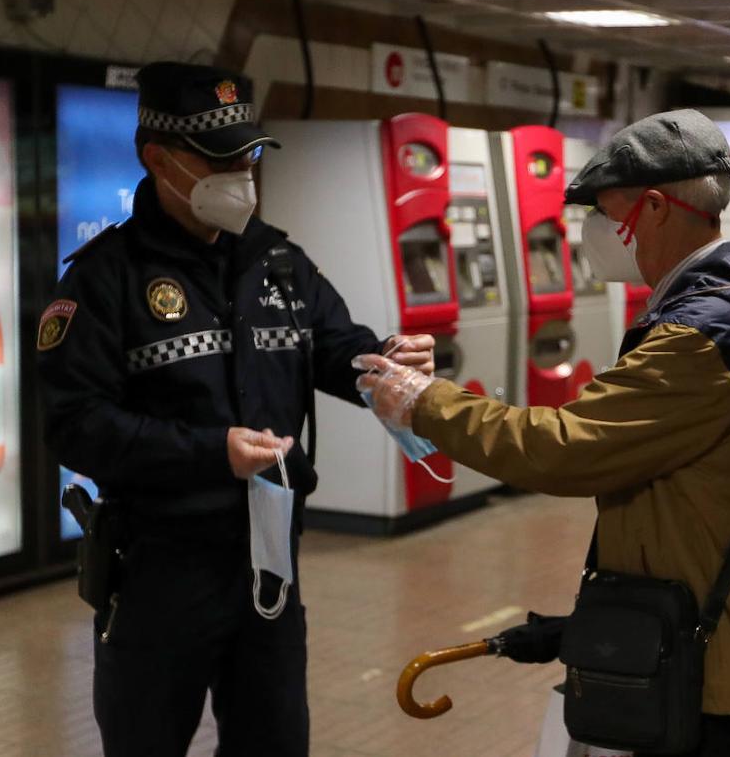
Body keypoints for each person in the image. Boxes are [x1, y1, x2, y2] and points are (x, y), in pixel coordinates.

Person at [357, 110, 730, 757]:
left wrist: (426, 403)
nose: (591, 233)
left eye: (603, 214)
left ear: (654, 208)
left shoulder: (701, 338)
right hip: (699, 625)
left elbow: (564, 448)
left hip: (698, 653)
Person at [36, 62, 434, 757]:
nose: (241, 172)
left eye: (248, 153)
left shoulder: (279, 262)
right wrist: (208, 452)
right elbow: (76, 425)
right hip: (160, 567)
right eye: (217, 158)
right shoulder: (104, 280)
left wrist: (385, 366)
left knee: (276, 743)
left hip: (270, 559)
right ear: (156, 158)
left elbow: (335, 346)